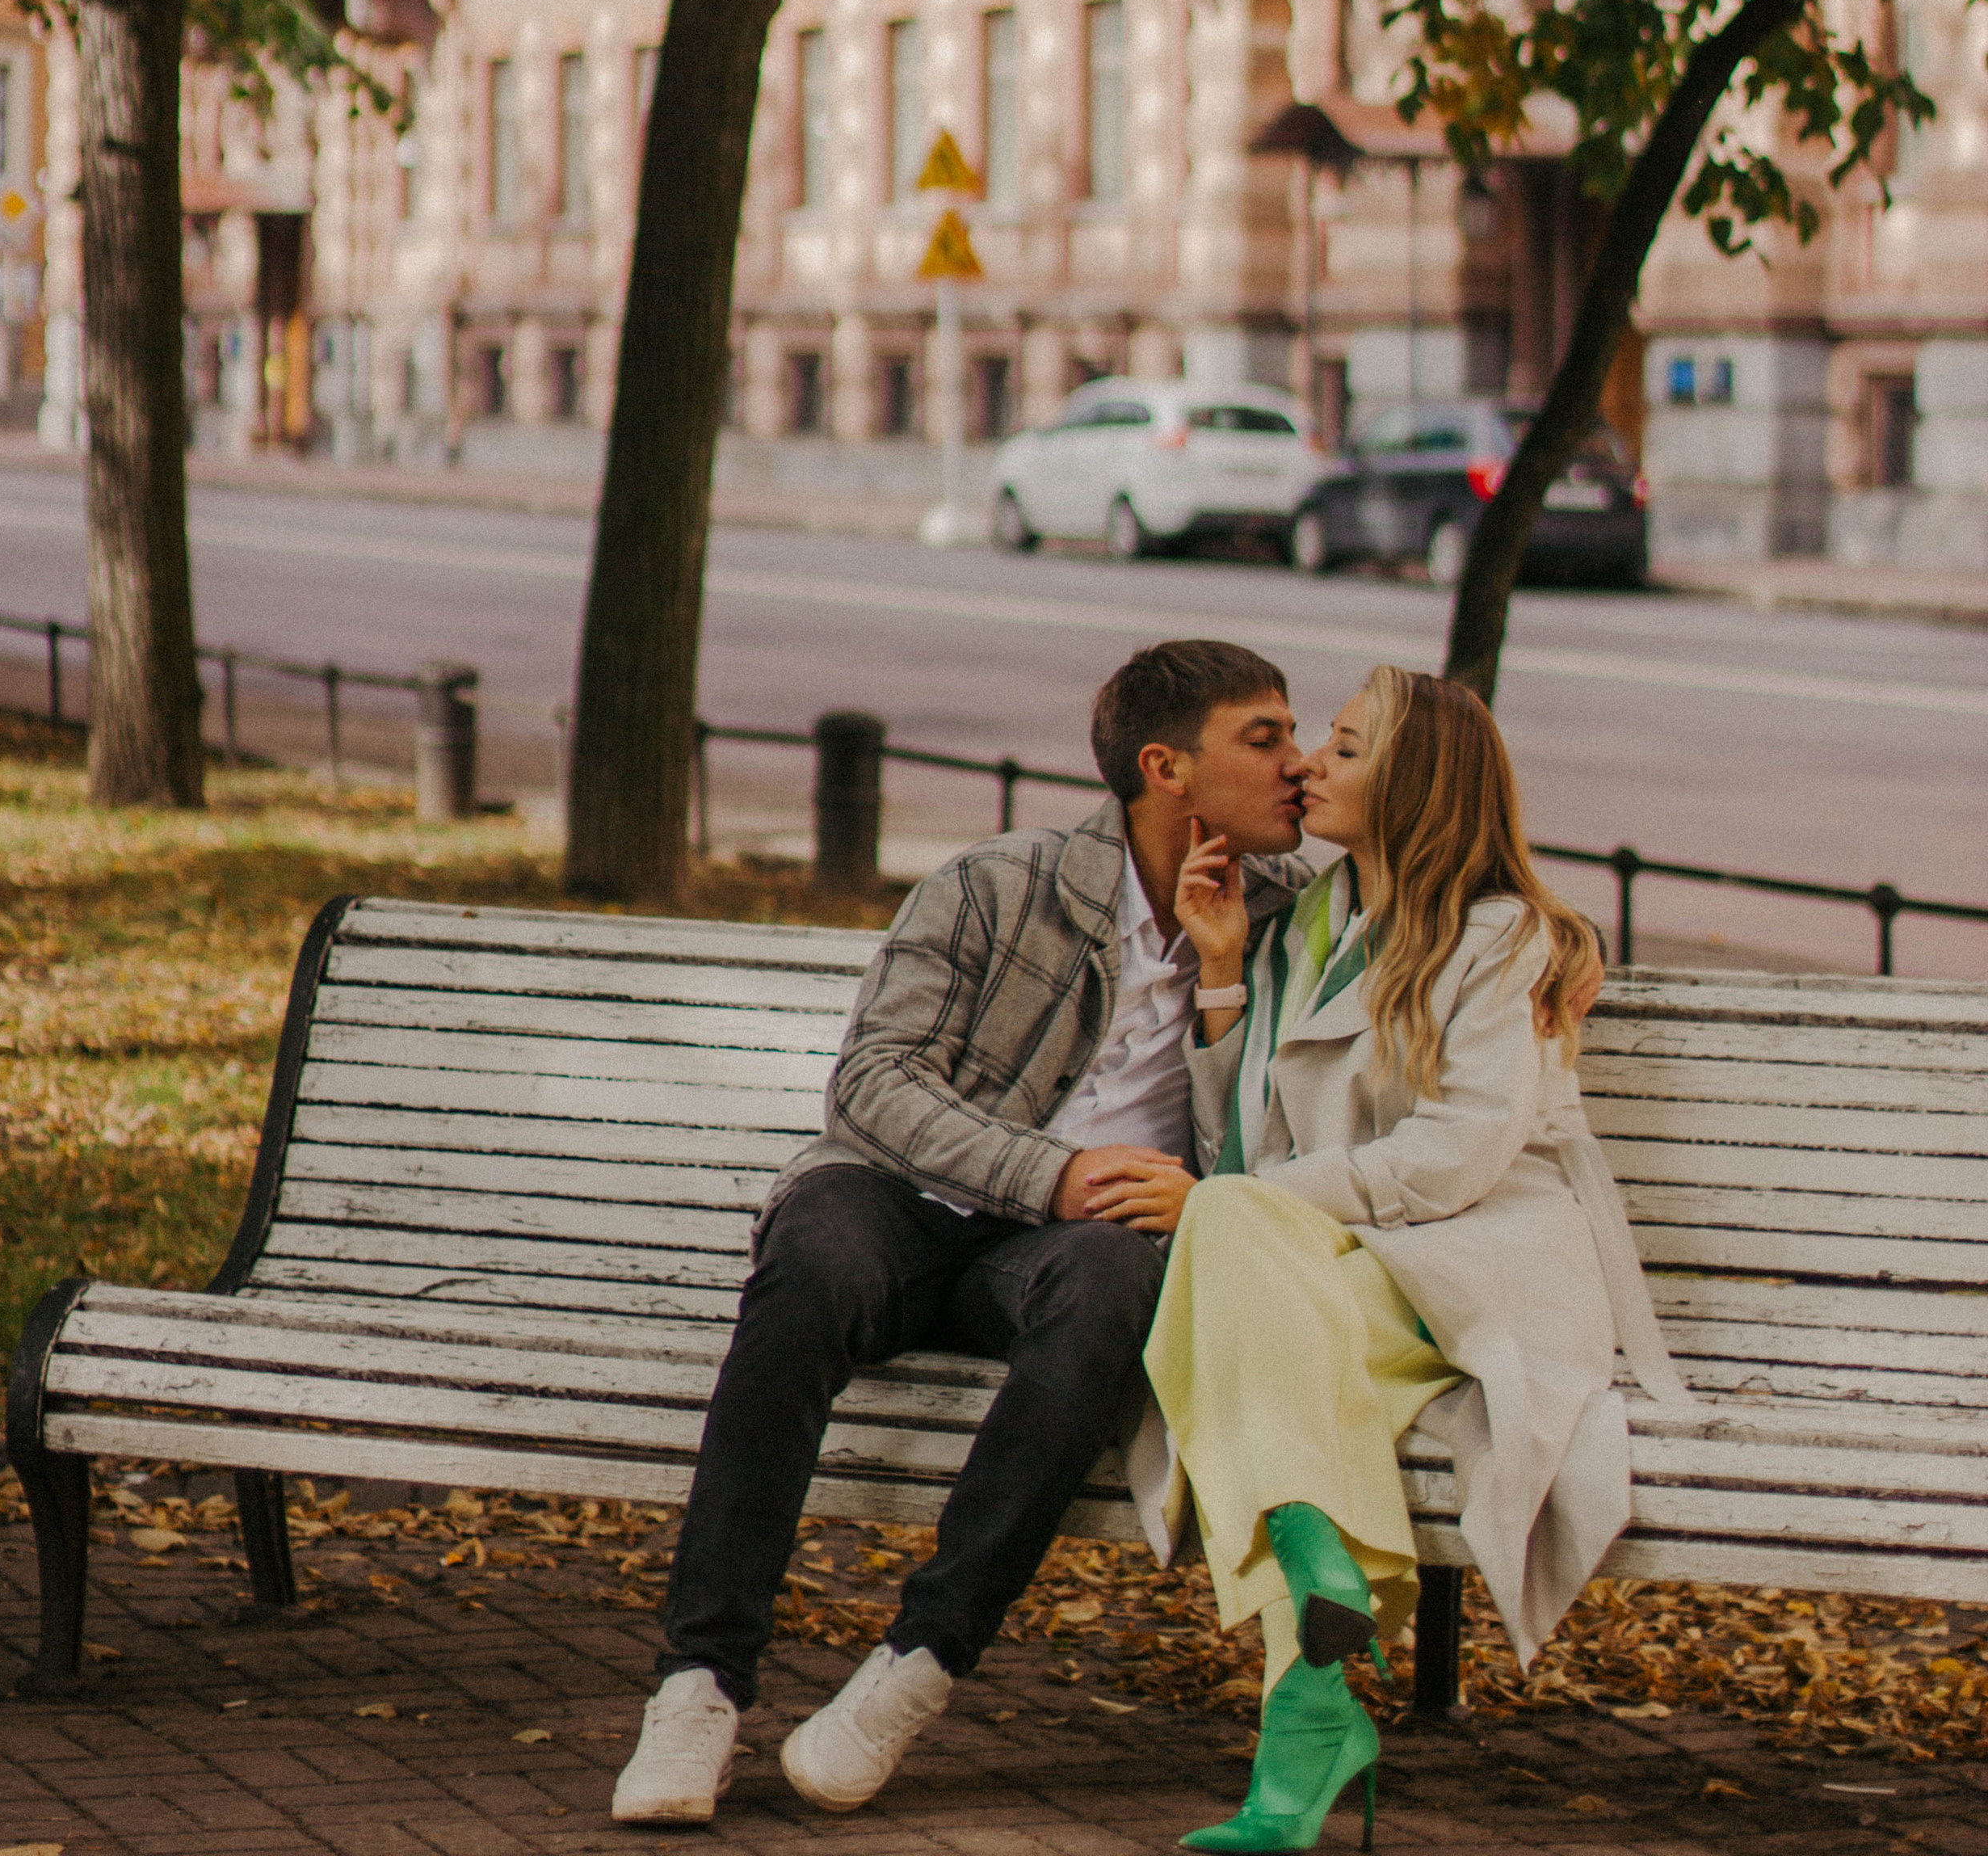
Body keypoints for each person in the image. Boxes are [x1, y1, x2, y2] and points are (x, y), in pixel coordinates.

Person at [611, 636, 1313, 1829]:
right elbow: (872, 1084)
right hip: (902, 1205)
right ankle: (700, 1684)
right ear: (1166, 768)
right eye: (1267, 737)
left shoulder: (1288, 920)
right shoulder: (1000, 884)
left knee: (1112, 1285)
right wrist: (1050, 1172)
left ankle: (918, 1665)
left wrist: (1223, 978)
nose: (1298, 764)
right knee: (812, 1254)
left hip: (1055, 1264)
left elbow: (1262, 1147)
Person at [1133, 664, 1687, 1854]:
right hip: (1339, 1262)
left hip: (1477, 1260)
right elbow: (1243, 1144)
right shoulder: (1302, 927)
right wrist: (1223, 972)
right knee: (1267, 1323)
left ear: (1419, 782)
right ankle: (1313, 1692)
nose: (1309, 767)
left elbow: (1451, 1162)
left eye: (1343, 747)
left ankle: (1310, 1637)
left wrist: (1254, 1203)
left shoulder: (1508, 939)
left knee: (1232, 1254)